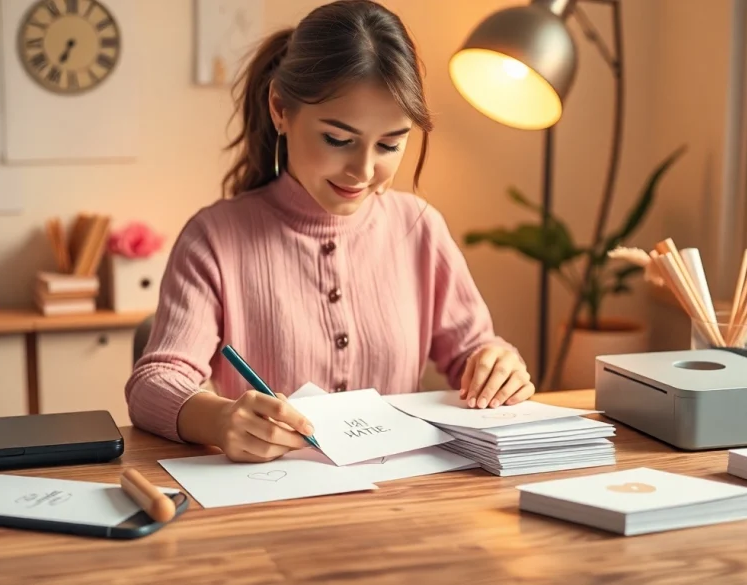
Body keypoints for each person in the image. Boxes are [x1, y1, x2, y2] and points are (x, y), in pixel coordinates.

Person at [125, 0, 534, 463]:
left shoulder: (420, 229)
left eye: (390, 144)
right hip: (271, 505)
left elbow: (474, 351)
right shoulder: (213, 239)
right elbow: (154, 383)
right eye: (338, 139)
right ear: (280, 108)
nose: (363, 170)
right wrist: (220, 420)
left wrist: (497, 364)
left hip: (399, 502)